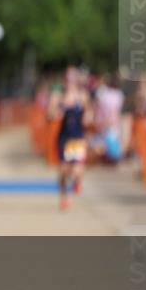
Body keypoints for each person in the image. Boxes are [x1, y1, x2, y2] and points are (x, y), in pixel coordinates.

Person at [48, 67, 92, 210]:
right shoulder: (58, 96)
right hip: (63, 138)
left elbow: (89, 115)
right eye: (67, 79)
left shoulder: (82, 96)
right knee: (63, 171)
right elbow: (50, 115)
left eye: (72, 79)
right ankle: (64, 198)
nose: (69, 82)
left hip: (77, 138)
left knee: (76, 171)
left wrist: (87, 118)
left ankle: (77, 182)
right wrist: (57, 111)